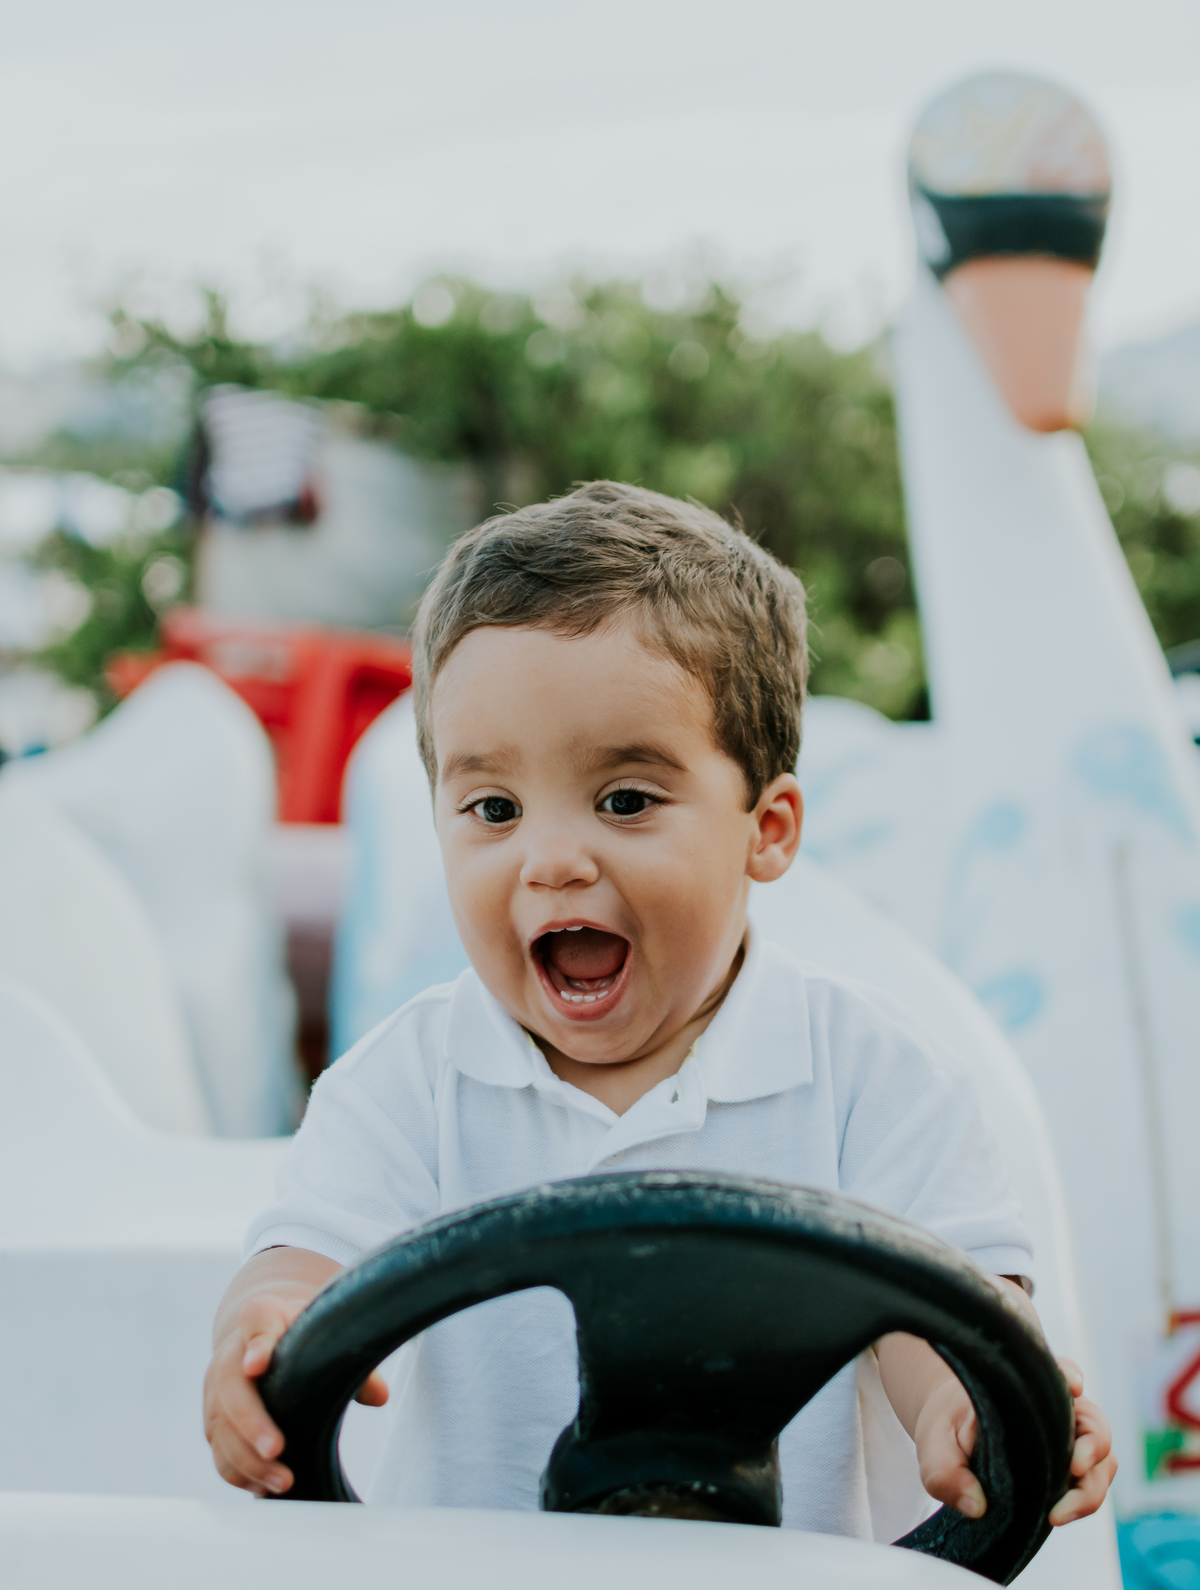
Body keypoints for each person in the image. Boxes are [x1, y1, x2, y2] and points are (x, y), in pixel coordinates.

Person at [204, 481, 1115, 1535]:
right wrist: (260, 1331)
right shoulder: (408, 1082)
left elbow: (948, 1323)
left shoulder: (875, 1079)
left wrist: (970, 1404)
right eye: (492, 808)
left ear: (766, 829)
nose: (551, 860)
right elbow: (304, 1258)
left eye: (626, 799)